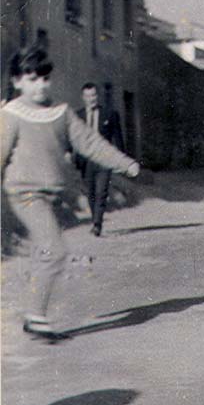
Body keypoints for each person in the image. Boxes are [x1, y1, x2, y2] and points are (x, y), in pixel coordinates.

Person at [1, 45, 140, 341]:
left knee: (46, 252)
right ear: (16, 82)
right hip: (24, 194)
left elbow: (90, 143)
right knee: (55, 250)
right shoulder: (11, 114)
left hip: (51, 196)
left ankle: (33, 315)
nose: (39, 85)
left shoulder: (60, 113)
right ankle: (36, 317)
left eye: (43, 79)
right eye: (30, 78)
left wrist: (124, 163)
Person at [76, 82, 125, 236]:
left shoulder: (109, 114)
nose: (91, 99)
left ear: (97, 96)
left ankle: (97, 224)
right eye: (88, 96)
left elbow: (118, 138)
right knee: (90, 192)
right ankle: (95, 219)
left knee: (101, 192)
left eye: (94, 95)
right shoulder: (78, 116)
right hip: (86, 160)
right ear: (83, 98)